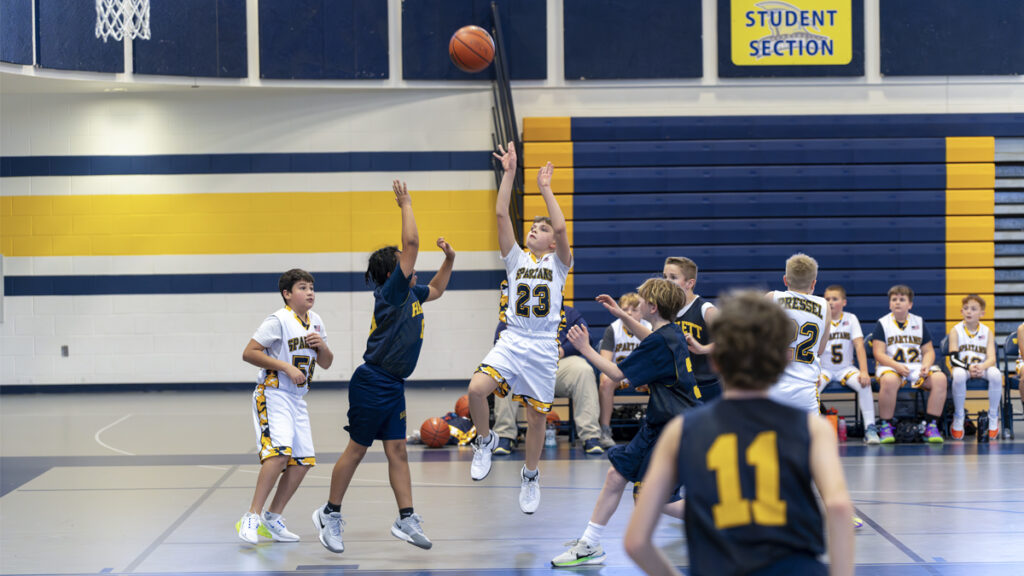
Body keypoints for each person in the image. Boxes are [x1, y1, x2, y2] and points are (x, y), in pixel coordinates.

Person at [623, 291, 855, 576]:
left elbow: (635, 542)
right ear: (785, 358)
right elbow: (840, 508)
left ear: (716, 359)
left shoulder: (681, 431)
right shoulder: (813, 428)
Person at [313, 180, 455, 553]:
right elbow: (410, 245)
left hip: (393, 384)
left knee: (398, 451)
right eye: (404, 263)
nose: (413, 263)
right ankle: (329, 513)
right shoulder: (391, 293)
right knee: (357, 450)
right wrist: (406, 203)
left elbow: (438, 290)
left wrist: (450, 260)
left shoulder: (411, 293)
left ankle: (405, 518)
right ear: (393, 271)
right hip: (373, 380)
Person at [551, 278, 700, 568]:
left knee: (653, 498)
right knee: (615, 476)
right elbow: (649, 336)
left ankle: (726, 518)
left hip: (677, 430)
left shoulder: (660, 341)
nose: (638, 304)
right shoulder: (671, 332)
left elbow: (617, 375)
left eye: (642, 301)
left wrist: (585, 349)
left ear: (652, 307)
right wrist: (620, 315)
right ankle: (589, 545)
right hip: (659, 424)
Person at [466, 142, 572, 515]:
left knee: (537, 416)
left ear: (553, 241)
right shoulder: (515, 259)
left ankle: (530, 474)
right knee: (477, 389)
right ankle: (484, 440)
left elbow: (560, 224)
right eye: (532, 226)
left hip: (543, 344)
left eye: (541, 229)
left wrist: (545, 189)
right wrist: (509, 173)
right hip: (513, 339)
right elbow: (500, 215)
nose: (534, 229)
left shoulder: (560, 264)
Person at [237, 268, 334, 544]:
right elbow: (249, 353)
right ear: (287, 294)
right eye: (303, 287)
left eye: (312, 287)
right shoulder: (277, 320)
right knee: (279, 454)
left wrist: (322, 348)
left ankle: (272, 517)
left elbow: (326, 362)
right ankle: (251, 516)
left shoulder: (316, 321)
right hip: (273, 393)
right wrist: (285, 367)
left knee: (302, 461)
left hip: (297, 398)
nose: (310, 292)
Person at [491, 300, 605, 455]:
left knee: (583, 370)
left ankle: (590, 436)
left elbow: (588, 338)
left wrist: (563, 351)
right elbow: (499, 341)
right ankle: (504, 435)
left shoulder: (569, 313)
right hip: (526, 366)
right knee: (505, 371)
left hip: (559, 364)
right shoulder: (516, 312)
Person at [872, 285, 946, 444]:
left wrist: (926, 365)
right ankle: (886, 425)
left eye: (902, 299)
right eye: (894, 300)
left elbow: (928, 351)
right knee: (890, 381)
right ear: (889, 304)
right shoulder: (883, 323)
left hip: (915, 366)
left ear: (910, 304)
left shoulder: (918, 322)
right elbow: (878, 353)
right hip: (891, 366)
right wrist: (896, 366)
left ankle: (931, 426)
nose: (897, 302)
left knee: (940, 379)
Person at [767, 254, 831, 415]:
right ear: (814, 283)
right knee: (807, 438)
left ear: (785, 280)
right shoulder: (824, 305)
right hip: (806, 388)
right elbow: (820, 349)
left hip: (774, 385)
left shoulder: (772, 298)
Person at [817, 284, 878, 444]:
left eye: (834, 299)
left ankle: (870, 428)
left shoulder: (851, 319)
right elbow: (813, 349)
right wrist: (813, 373)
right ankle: (812, 431)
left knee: (864, 384)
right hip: (824, 369)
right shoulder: (819, 319)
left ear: (844, 302)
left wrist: (864, 371)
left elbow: (859, 346)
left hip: (845, 368)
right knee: (811, 388)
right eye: (827, 299)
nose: (830, 302)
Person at [597, 292, 651, 447]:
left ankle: (658, 428)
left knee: (661, 379)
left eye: (634, 310)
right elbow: (605, 363)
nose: (629, 313)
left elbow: (654, 360)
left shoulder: (649, 328)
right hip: (619, 374)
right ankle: (605, 430)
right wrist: (614, 377)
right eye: (625, 309)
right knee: (605, 380)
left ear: (642, 312)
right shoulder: (613, 330)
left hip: (644, 374)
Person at [663, 257, 721, 401]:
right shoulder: (664, 311)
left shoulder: (705, 309)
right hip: (677, 386)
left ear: (690, 283)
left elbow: (732, 339)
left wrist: (702, 349)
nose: (666, 282)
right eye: (665, 277)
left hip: (706, 386)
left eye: (673, 277)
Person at [949, 294, 1003, 440]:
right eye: (966, 308)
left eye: (973, 309)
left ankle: (993, 416)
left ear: (982, 313)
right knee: (958, 375)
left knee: (996, 374)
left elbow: (991, 358)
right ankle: (959, 416)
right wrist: (969, 367)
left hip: (982, 367)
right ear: (961, 312)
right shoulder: (955, 330)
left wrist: (981, 367)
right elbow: (953, 358)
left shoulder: (987, 331)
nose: (969, 312)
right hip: (963, 367)